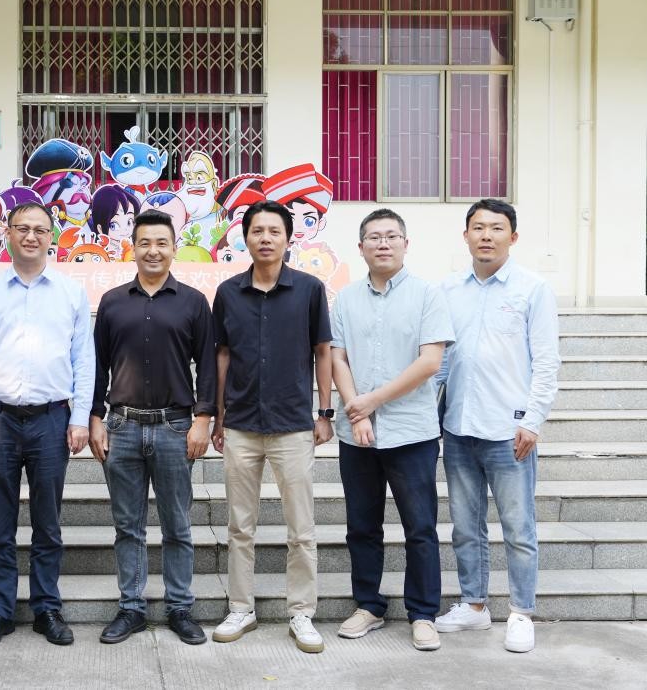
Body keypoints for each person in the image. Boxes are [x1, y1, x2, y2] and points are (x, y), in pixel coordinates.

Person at [0, 201, 94, 648]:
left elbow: (84, 360)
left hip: (51, 421)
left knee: (47, 524)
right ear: (8, 233)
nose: (31, 236)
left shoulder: (71, 293)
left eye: (40, 229)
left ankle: (46, 609)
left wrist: (79, 417)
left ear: (50, 236)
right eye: (22, 228)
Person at [433, 199, 560, 653]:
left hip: (510, 432)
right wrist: (429, 412)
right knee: (465, 527)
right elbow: (441, 360)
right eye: (479, 227)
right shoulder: (448, 290)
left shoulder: (533, 289)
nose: (486, 235)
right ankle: (474, 605)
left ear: (513, 236)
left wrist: (533, 419)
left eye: (497, 228)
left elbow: (546, 361)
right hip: (459, 428)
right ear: (465, 235)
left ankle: (521, 612)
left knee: (518, 528)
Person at [209, 201, 334, 654]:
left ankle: (301, 612)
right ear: (245, 237)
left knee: (301, 528)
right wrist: (219, 415)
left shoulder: (309, 289)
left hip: (292, 425)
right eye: (257, 230)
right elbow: (222, 355)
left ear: (287, 237)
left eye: (273, 231)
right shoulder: (228, 293)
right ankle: (241, 608)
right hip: (241, 424)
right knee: (240, 526)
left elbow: (323, 351)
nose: (265, 238)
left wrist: (325, 413)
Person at [89, 209, 216, 646]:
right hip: (122, 426)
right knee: (128, 527)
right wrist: (94, 418)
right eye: (144, 242)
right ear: (133, 248)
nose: (153, 250)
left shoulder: (193, 302)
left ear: (174, 248)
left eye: (162, 243)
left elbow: (208, 366)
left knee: (177, 525)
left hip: (175, 427)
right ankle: (132, 608)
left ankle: (180, 607)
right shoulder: (112, 302)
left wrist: (203, 419)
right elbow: (97, 366)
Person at [330, 209, 454, 652]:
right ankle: (368, 605)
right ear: (360, 247)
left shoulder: (427, 295)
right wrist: (358, 413)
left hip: (411, 433)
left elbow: (430, 361)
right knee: (362, 525)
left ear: (405, 243)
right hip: (357, 434)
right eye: (374, 237)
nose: (383, 244)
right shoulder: (344, 299)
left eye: (391, 236)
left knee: (420, 527)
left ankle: (423, 613)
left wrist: (372, 402)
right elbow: (337, 358)